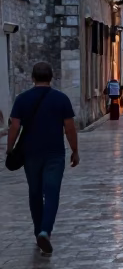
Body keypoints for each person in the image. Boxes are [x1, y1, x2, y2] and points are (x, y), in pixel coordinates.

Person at [7, 62, 79, 255]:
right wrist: (75, 150)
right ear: (51, 77)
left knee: (35, 192)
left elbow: (14, 127)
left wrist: (10, 149)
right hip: (54, 153)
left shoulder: (22, 99)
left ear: (33, 78)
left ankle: (38, 231)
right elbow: (69, 127)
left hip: (30, 153)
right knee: (52, 192)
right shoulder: (61, 99)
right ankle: (46, 231)